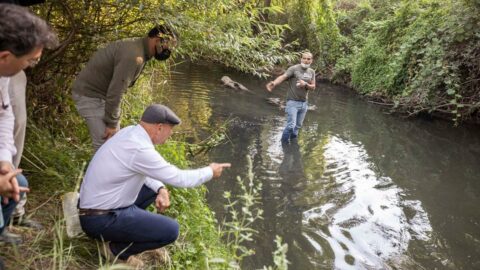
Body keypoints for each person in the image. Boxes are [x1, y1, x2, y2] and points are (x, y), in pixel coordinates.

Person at [78, 104, 231, 267]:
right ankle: (114, 250)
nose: (170, 135)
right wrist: (210, 171)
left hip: (94, 208)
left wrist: (161, 188)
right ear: (159, 128)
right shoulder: (139, 148)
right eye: (170, 130)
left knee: (152, 190)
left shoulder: (130, 133)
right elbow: (180, 178)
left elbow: (143, 170)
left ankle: (119, 234)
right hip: (98, 219)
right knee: (171, 230)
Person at [0, 2, 57, 248]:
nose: (30, 67)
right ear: (5, 56)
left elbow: (4, 116)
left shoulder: (3, 74)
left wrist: (3, 163)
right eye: (31, 61)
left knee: (18, 184)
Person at [72, 25, 177, 151]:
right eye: (167, 45)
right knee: (106, 147)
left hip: (100, 96)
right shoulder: (134, 56)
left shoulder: (139, 48)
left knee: (114, 145)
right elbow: (116, 92)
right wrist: (112, 123)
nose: (168, 50)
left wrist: (113, 122)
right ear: (157, 39)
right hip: (90, 95)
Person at [266, 52, 315, 144]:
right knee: (290, 126)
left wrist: (305, 84)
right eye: (304, 58)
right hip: (292, 102)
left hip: (304, 104)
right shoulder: (294, 69)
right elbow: (283, 77)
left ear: (311, 60)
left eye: (308, 59)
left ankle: (293, 144)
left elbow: (313, 87)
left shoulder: (311, 72)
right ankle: (283, 144)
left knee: (297, 126)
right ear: (301, 59)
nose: (306, 60)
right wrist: (274, 83)